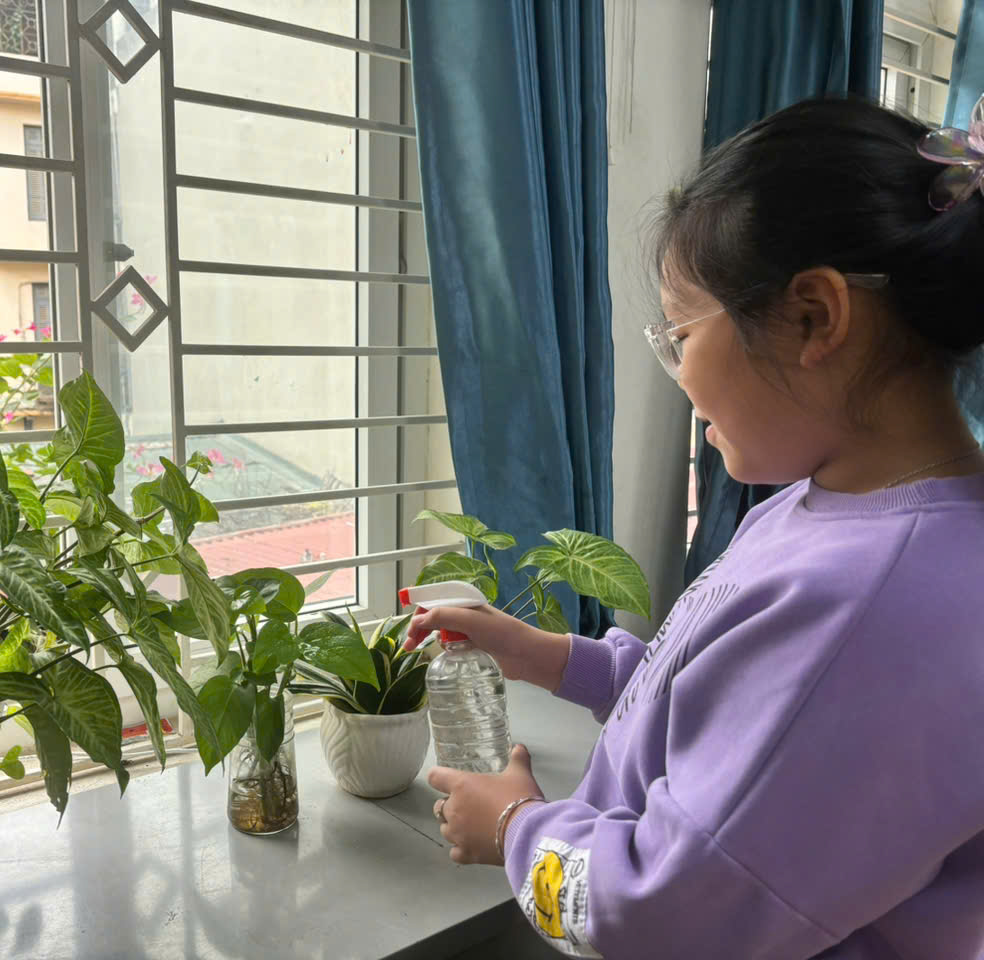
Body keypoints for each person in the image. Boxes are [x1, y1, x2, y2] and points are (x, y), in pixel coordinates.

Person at [405, 96, 984, 959]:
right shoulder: (830, 508)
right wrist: (550, 657)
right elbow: (722, 707)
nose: (677, 371)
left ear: (814, 318)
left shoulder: (877, 604)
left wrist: (515, 828)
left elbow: (659, 917)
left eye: (680, 330)